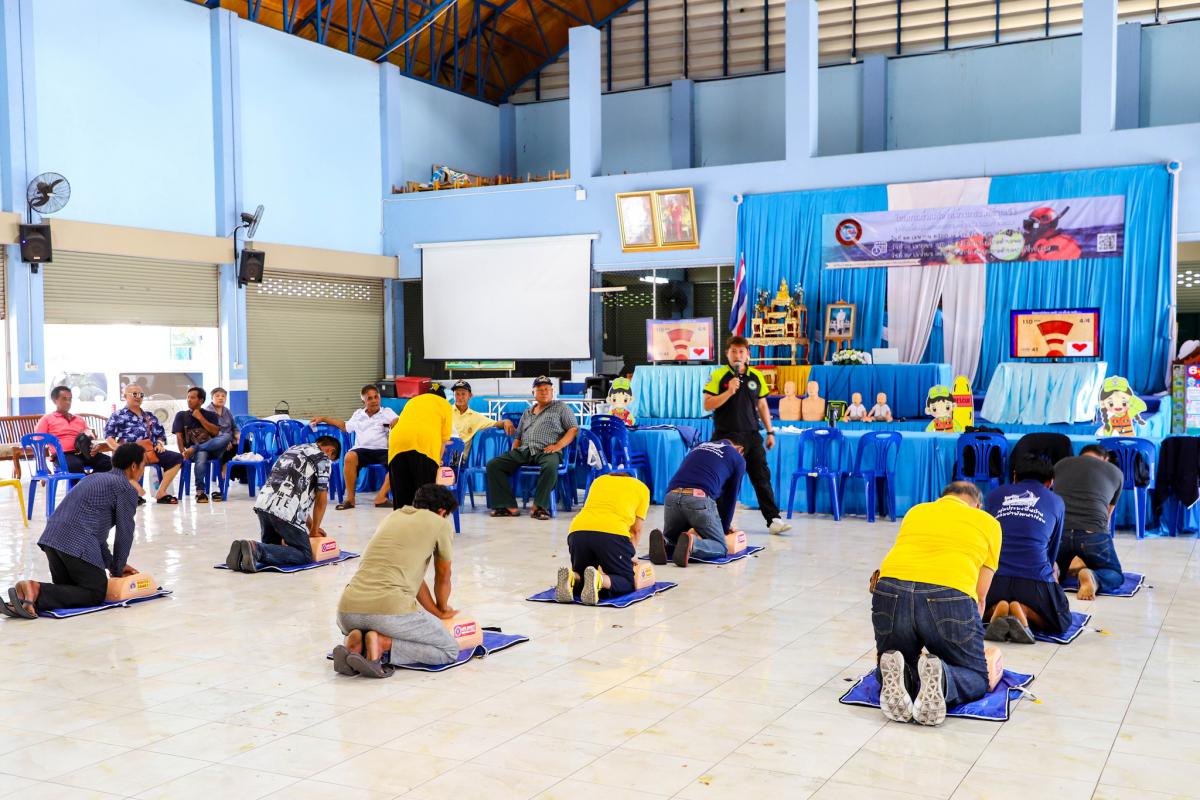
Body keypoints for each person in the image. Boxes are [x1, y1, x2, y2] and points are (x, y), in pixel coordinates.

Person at [871, 482, 1000, 726]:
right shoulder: (988, 522)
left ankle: (902, 673)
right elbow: (980, 595)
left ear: (942, 498)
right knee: (976, 676)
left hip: (889, 590)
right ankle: (942, 678)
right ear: (978, 506)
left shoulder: (917, 511)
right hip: (948, 594)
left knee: (896, 658)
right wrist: (970, 637)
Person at [2, 443, 145, 618]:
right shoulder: (126, 488)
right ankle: (35, 588)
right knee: (96, 592)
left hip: (51, 540)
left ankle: (25, 597)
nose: (142, 470)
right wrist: (118, 569)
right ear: (133, 466)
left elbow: (97, 536)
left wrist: (112, 564)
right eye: (143, 465)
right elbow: (125, 533)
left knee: (71, 590)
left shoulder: (92, 478)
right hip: (75, 543)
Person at [334, 484, 460, 677]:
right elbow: (443, 575)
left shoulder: (393, 517)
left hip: (347, 612)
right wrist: (442, 609)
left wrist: (434, 612)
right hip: (388, 611)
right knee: (449, 650)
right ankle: (382, 643)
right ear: (442, 512)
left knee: (371, 622)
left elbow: (414, 580)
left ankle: (356, 640)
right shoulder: (440, 524)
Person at [702, 336, 790, 535]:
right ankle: (720, 523)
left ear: (748, 354)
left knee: (762, 477)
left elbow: (762, 405)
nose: (737, 355)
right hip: (726, 437)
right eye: (733, 351)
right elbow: (707, 404)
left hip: (752, 435)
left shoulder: (756, 376)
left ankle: (773, 519)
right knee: (725, 481)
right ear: (727, 354)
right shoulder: (718, 375)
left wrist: (770, 431)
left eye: (741, 351)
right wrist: (729, 391)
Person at [983, 457, 1072, 642]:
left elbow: (985, 541)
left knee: (973, 607)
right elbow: (1052, 550)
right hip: (1035, 583)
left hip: (994, 579)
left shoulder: (993, 495)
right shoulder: (1056, 501)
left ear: (1015, 476)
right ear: (1050, 482)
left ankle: (995, 609)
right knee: (1062, 620)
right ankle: (1024, 611)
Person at [225, 436, 342, 571]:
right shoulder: (323, 458)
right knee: (304, 555)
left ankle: (243, 552)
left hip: (263, 505)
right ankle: (256, 549)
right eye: (332, 458)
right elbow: (321, 498)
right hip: (285, 512)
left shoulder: (293, 449)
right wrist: (315, 530)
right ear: (330, 450)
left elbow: (297, 499)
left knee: (275, 548)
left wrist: (310, 527)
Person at [487, 377, 578, 521]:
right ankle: (507, 506)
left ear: (552, 391)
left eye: (547, 389)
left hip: (547, 450)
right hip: (524, 450)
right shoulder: (527, 412)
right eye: (540, 390)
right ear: (533, 393)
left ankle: (539, 507)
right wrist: (513, 451)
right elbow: (518, 437)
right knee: (494, 465)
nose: (544, 392)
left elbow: (573, 429)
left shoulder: (561, 408)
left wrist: (558, 446)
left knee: (550, 466)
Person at [555, 472, 650, 605]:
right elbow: (636, 531)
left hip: (578, 531)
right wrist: (629, 555)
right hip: (612, 533)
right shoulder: (641, 488)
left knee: (584, 573)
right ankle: (599, 579)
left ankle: (572, 577)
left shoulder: (599, 481)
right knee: (627, 581)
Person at [648, 439, 746, 567]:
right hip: (698, 498)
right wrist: (724, 528)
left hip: (671, 496)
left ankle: (665, 542)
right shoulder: (738, 458)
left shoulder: (699, 446)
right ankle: (693, 544)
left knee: (674, 538)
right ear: (739, 449)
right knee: (721, 547)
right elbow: (730, 498)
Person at [1052, 444, 1126, 600]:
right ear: (1105, 459)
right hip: (1092, 533)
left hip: (1060, 532)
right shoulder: (1115, 472)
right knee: (1114, 573)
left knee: (1056, 561)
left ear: (1080, 455)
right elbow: (1106, 518)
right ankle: (1094, 577)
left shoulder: (1061, 464)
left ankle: (1055, 569)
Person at [313, 385, 399, 510]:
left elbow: (400, 420)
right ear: (364, 402)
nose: (374, 400)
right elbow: (345, 426)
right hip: (361, 450)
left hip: (383, 450)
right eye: (370, 398)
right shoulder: (358, 414)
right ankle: (350, 500)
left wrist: (397, 421)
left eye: (376, 397)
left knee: (398, 460)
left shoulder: (387, 412)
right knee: (349, 457)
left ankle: (381, 497)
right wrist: (324, 419)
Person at [104, 383, 183, 504]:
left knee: (177, 458)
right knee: (127, 464)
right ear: (125, 396)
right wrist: (120, 450)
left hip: (149, 451)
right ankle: (134, 494)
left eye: (141, 394)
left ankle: (161, 492)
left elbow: (160, 434)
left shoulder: (149, 416)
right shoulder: (117, 416)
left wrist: (159, 443)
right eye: (134, 394)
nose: (138, 397)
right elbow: (109, 437)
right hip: (129, 452)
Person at [387, 386, 453, 510]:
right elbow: (443, 440)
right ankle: (423, 521)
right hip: (424, 445)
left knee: (401, 497)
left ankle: (401, 521)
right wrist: (438, 461)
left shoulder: (413, 401)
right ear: (443, 398)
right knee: (424, 497)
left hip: (397, 443)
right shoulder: (445, 405)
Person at [35, 385, 112, 474]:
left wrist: (94, 445)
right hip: (62, 456)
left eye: (70, 399)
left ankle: (92, 480)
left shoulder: (79, 419)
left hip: (84, 453)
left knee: (109, 462)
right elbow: (38, 444)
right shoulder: (46, 419)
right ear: (54, 400)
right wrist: (44, 467)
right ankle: (85, 482)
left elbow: (88, 435)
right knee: (75, 465)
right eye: (64, 399)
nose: (68, 402)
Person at [171, 387, 227, 504]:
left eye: (192, 398)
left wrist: (200, 418)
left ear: (201, 400)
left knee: (226, 437)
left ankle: (196, 448)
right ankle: (200, 491)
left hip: (211, 449)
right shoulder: (181, 415)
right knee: (202, 453)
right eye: (188, 397)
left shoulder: (210, 415)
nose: (189, 400)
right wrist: (183, 452)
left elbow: (215, 432)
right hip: (192, 453)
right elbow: (179, 437)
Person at [449, 380, 512, 456]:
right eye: (457, 394)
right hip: (442, 453)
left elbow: (495, 423)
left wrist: (506, 421)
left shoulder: (476, 417)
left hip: (459, 458)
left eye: (463, 394)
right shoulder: (445, 411)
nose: (460, 397)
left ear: (470, 396)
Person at [205, 387, 240, 496]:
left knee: (246, 444)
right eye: (217, 396)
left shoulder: (227, 411)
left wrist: (238, 436)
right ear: (212, 398)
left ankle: (242, 475)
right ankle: (224, 476)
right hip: (214, 440)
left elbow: (234, 427)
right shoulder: (208, 411)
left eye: (223, 396)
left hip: (230, 439)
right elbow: (210, 430)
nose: (220, 398)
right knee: (224, 448)